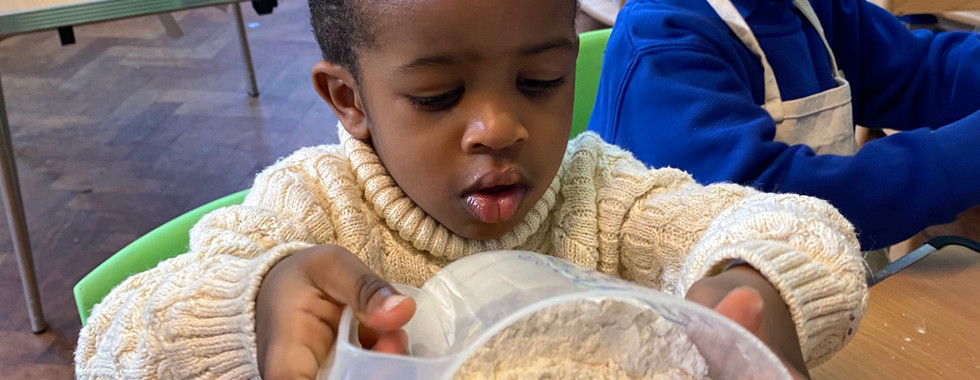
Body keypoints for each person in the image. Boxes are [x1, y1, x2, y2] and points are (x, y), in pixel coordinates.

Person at [74, 0, 867, 378]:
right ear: (349, 99)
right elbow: (110, 345)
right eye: (438, 97)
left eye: (540, 80)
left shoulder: (600, 193)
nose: (497, 127)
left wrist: (754, 286)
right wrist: (253, 311)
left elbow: (801, 230)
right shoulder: (308, 212)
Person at [588, 0, 980, 252]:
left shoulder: (809, 9)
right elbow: (762, 210)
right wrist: (959, 158)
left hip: (816, 283)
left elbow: (917, 70)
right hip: (694, 321)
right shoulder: (663, 39)